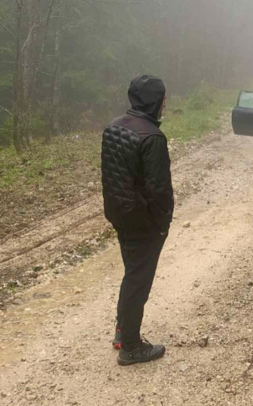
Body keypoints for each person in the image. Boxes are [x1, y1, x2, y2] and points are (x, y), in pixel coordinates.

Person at [101, 75, 174, 366]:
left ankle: (123, 330)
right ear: (156, 100)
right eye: (163, 98)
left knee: (132, 272)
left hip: (119, 213)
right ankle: (131, 346)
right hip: (143, 222)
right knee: (138, 280)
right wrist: (163, 223)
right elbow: (159, 189)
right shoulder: (152, 137)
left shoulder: (113, 126)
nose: (165, 102)